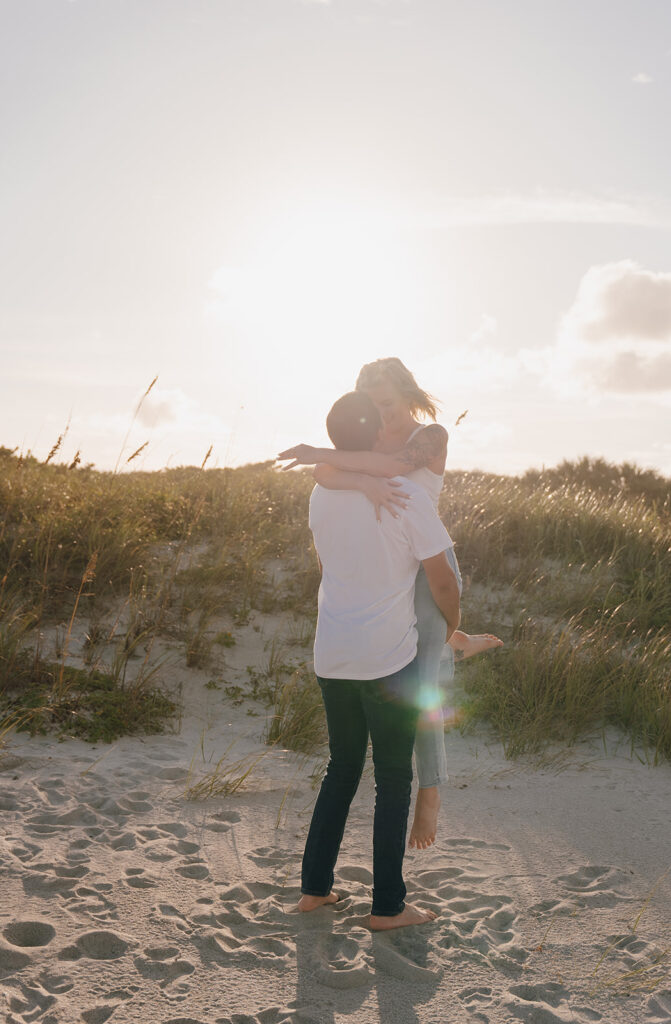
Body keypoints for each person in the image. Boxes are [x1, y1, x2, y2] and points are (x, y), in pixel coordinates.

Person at [278, 357, 502, 851]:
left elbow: (396, 468)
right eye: (372, 408)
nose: (380, 417)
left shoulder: (432, 436)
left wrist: (333, 458)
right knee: (414, 676)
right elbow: (325, 472)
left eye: (387, 404)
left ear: (407, 395)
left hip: (429, 568)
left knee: (421, 688)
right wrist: (361, 481)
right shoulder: (371, 439)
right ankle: (454, 642)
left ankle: (431, 792)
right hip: (390, 569)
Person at [296, 390, 461, 931]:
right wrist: (453, 625)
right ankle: (388, 906)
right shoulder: (406, 495)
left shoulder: (321, 494)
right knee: (392, 777)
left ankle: (315, 891)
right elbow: (441, 578)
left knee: (340, 769)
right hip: (386, 658)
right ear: (374, 439)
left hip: (332, 654)